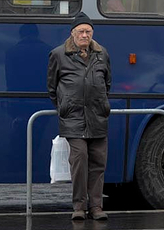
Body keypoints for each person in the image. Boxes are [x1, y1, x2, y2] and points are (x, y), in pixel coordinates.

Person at [47, 12, 112, 221]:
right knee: (79, 161)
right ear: (73, 33)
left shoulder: (102, 54)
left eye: (88, 31)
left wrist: (101, 104)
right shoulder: (59, 54)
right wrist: (64, 107)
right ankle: (79, 206)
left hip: (98, 118)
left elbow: (107, 83)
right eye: (81, 31)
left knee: (98, 163)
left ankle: (96, 207)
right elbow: (51, 87)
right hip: (73, 119)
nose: (85, 35)